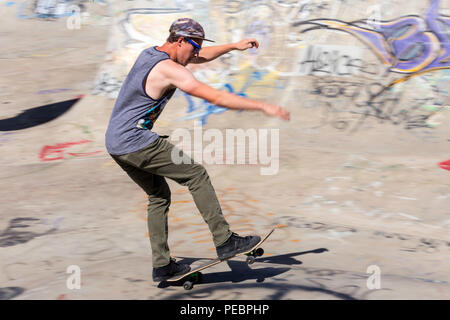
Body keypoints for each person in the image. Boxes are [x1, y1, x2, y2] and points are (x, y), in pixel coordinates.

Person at [105, 18, 290, 282]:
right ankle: (225, 239)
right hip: (135, 140)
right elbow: (215, 97)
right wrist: (262, 106)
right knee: (196, 174)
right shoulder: (169, 69)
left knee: (158, 196)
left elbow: (199, 57)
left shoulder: (152, 52)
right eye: (194, 47)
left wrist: (234, 46)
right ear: (180, 40)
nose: (196, 53)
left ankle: (162, 265)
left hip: (116, 143)